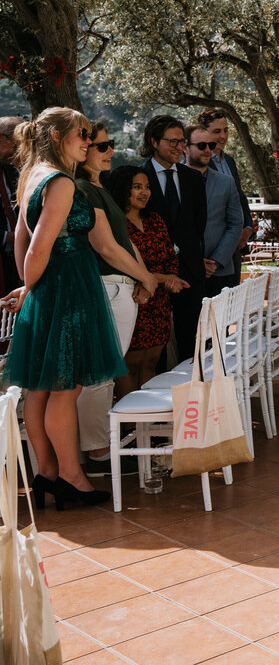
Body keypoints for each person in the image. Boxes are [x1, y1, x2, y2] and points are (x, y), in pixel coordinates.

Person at [3, 108, 151, 510]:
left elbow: (21, 238)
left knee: (39, 388)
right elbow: (37, 246)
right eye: (81, 135)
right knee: (65, 389)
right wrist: (33, 287)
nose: (87, 142)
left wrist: (29, 286)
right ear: (56, 136)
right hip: (67, 289)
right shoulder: (62, 182)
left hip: (50, 288)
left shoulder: (31, 176)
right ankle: (70, 476)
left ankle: (47, 473)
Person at [75, 122, 178, 476]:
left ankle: (111, 443)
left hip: (131, 289)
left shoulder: (96, 188)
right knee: (104, 374)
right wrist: (147, 278)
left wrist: (148, 279)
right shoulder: (82, 188)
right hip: (114, 288)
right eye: (101, 146)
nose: (109, 151)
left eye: (110, 144)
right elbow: (106, 246)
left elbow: (124, 244)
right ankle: (101, 451)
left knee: (114, 372)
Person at [108, 166, 182, 398]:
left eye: (147, 187)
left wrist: (168, 279)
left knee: (151, 362)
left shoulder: (155, 220)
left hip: (158, 302)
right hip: (132, 299)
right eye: (137, 187)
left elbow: (170, 257)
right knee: (129, 365)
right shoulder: (114, 225)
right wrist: (159, 278)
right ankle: (130, 425)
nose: (144, 193)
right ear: (123, 189)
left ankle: (146, 427)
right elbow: (118, 264)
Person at [140, 114, 206, 358]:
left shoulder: (193, 178)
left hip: (190, 271)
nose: (180, 148)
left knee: (193, 341)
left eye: (182, 142)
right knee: (154, 345)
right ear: (154, 142)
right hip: (152, 273)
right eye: (172, 142)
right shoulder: (138, 178)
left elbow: (199, 225)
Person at [183, 123, 243, 295]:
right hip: (184, 271)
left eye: (211, 145)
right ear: (185, 148)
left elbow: (236, 224)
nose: (208, 150)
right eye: (201, 145)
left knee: (220, 322)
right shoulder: (175, 181)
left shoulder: (226, 182)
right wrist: (193, 261)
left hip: (220, 270)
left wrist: (216, 261)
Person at [197, 108, 253, 271]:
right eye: (217, 131)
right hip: (213, 248)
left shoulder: (229, 160)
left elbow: (240, 196)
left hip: (235, 246)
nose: (223, 136)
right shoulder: (198, 163)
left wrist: (248, 227)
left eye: (226, 130)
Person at [0, 116, 23, 293]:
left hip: (14, 261)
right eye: (16, 146)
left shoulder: (11, 171)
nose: (17, 153)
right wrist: (7, 237)